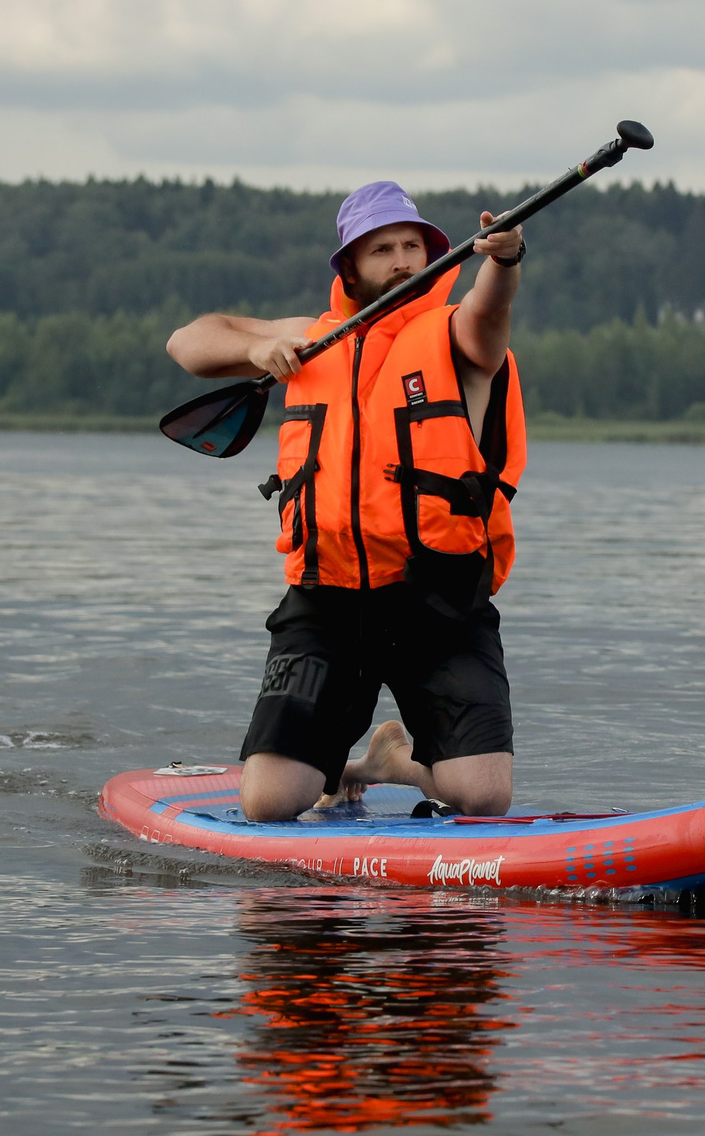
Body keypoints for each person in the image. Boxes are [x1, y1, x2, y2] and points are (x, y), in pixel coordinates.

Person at [165, 181, 527, 821]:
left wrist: (501, 261)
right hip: (326, 602)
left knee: (482, 797)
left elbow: (489, 312)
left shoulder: (457, 334)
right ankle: (344, 762)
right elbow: (188, 342)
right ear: (351, 268)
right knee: (268, 804)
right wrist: (255, 349)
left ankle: (398, 765)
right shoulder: (311, 338)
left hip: (437, 602)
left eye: (412, 245)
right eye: (381, 249)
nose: (402, 260)